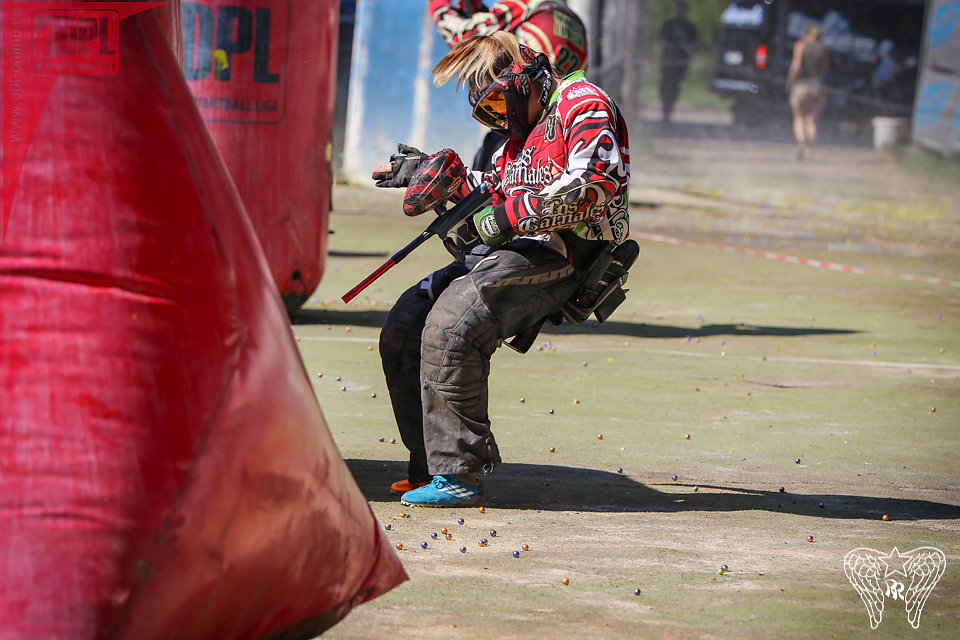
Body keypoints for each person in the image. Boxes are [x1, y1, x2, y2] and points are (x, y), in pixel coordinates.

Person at [373, 31, 630, 507]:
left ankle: (459, 474)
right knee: (405, 324)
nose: (498, 117)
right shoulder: (516, 138)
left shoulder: (583, 101)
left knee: (451, 326)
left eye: (497, 102)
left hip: (563, 254)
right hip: (505, 251)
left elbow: (600, 180)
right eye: (486, 110)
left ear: (523, 78)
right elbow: (495, 186)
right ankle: (430, 466)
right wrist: (435, 172)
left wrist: (514, 214)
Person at [429, 0, 588, 169]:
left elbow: (466, 38)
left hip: (519, 119)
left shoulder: (525, 4)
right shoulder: (573, 20)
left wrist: (437, 4)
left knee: (486, 185)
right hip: (558, 125)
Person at [786, 24, 829, 161]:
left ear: (807, 34)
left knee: (799, 118)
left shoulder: (800, 45)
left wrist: (790, 81)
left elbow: (796, 65)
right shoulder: (824, 49)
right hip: (817, 86)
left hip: (801, 86)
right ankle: (810, 151)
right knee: (812, 121)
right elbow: (824, 70)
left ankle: (802, 142)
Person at [657, 1, 699, 124]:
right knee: (665, 87)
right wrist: (669, 45)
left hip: (681, 63)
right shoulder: (669, 24)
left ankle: (669, 110)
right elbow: (660, 38)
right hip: (668, 62)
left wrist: (685, 46)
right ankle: (665, 109)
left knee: (676, 87)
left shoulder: (689, 27)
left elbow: (696, 42)